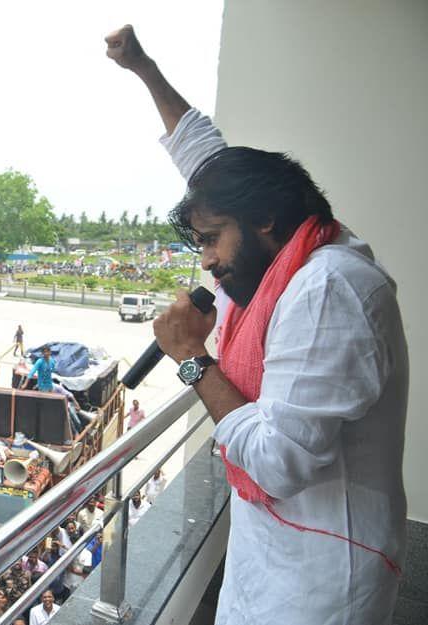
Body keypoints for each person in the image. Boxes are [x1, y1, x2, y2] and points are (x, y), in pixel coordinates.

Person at [106, 24, 407, 624]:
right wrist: (143, 69)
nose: (208, 261)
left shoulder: (326, 290)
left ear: (266, 217)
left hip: (319, 580)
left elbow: (277, 462)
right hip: (273, 550)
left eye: (212, 240)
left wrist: (193, 358)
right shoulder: (288, 255)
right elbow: (206, 159)